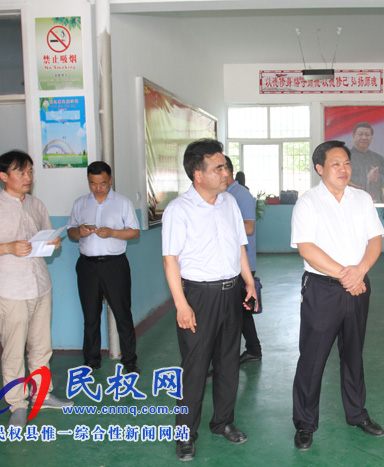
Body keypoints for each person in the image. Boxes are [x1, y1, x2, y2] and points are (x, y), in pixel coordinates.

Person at [162, 139, 257, 462]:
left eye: (226, 166)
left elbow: (239, 246)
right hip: (198, 296)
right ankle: (185, 434)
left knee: (228, 362)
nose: (226, 172)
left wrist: (248, 282)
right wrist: (181, 304)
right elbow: (170, 260)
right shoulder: (179, 210)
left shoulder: (229, 202)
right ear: (198, 174)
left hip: (231, 292)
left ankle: (223, 422)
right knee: (195, 367)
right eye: (218, 168)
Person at [290, 140, 384, 451]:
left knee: (354, 354)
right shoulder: (308, 203)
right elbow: (307, 248)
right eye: (336, 163)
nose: (343, 169)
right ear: (320, 168)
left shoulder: (362, 199)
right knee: (313, 358)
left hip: (358, 286)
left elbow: (375, 240)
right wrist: (347, 275)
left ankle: (357, 414)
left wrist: (360, 271)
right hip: (323, 289)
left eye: (346, 163)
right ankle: (305, 423)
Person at [0, 150, 73, 428]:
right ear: (4, 176)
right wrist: (8, 247)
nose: (28, 177)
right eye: (21, 172)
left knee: (41, 348)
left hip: (40, 285)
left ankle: (43, 394)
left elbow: (49, 236)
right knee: (14, 351)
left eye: (30, 172)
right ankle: (17, 403)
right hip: (11, 290)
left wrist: (53, 243)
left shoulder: (36, 205)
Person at [67, 161, 141, 374]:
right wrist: (79, 231)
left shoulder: (123, 203)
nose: (98, 188)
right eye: (93, 183)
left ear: (110, 180)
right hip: (87, 266)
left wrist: (113, 233)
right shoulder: (80, 203)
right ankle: (91, 360)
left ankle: (129, 360)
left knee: (122, 313)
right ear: (88, 181)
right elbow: (71, 232)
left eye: (103, 183)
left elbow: (134, 232)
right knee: (90, 315)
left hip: (114, 265)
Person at [225, 157, 262, 364]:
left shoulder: (241, 195)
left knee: (242, 309)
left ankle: (253, 349)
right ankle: (253, 349)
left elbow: (249, 228)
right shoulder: (224, 195)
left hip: (243, 263)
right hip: (229, 263)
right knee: (239, 310)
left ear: (228, 172)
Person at [349, 122, 384, 202]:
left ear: (371, 137)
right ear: (353, 136)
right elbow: (343, 182)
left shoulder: (378, 158)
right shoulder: (346, 157)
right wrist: (368, 178)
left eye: (367, 135)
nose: (364, 137)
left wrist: (376, 177)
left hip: (375, 202)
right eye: (360, 134)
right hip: (352, 201)